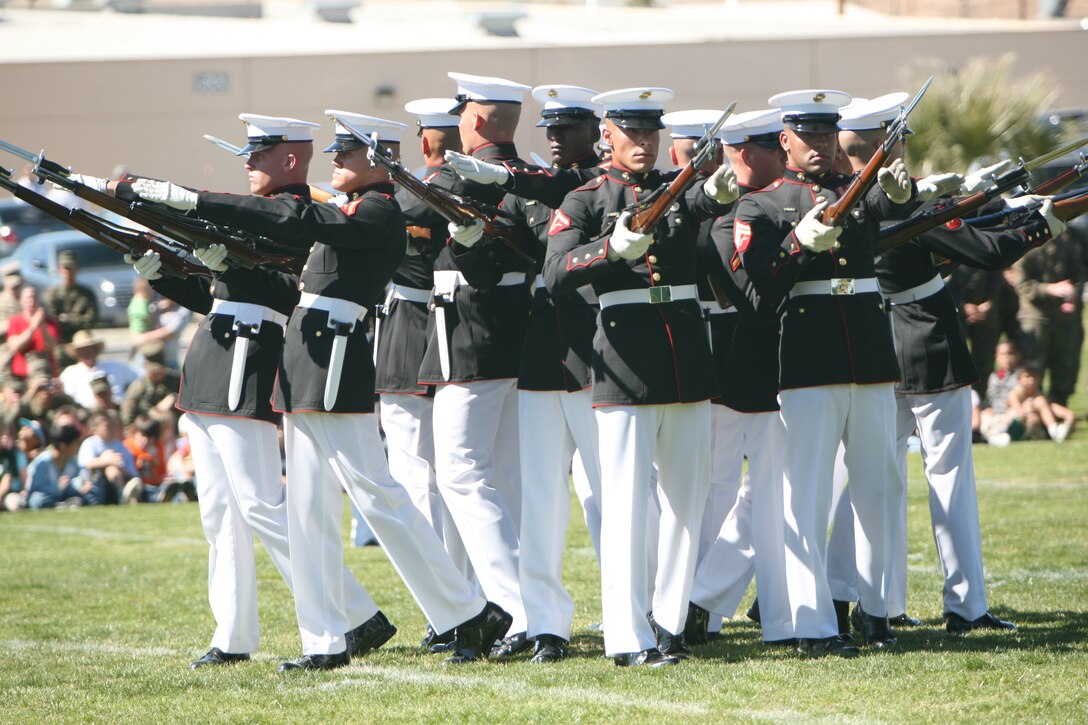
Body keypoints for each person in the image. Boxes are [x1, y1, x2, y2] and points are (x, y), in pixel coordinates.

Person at [135, 110, 512, 670]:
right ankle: (325, 637)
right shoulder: (345, 211)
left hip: (334, 357)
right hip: (306, 359)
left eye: (347, 152)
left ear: (379, 161)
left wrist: (193, 201)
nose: (335, 159)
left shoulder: (378, 212)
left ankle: (469, 611)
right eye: (335, 151)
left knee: (377, 495)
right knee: (307, 509)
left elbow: (294, 220)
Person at [116, 113, 389, 669]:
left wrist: (232, 264)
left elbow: (291, 290)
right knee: (221, 513)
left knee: (262, 504)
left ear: (289, 159)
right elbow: (218, 295)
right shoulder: (264, 212)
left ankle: (356, 614)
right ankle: (233, 633)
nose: (249, 163)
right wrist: (163, 273)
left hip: (252, 356)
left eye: (259, 154)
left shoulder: (302, 215)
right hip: (216, 357)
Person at [826, 93, 1060, 636]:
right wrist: (1037, 227)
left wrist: (1001, 206)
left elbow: (960, 229)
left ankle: (862, 599)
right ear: (891, 144)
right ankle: (966, 605)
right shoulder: (898, 199)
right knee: (949, 477)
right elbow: (983, 250)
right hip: (926, 342)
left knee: (869, 480)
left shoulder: (841, 199)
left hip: (874, 346)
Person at [544, 86, 738, 667]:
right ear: (608, 133)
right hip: (625, 360)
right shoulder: (584, 198)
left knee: (686, 502)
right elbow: (555, 272)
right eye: (633, 132)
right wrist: (610, 248)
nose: (644, 143)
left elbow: (703, 206)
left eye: (652, 133)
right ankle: (628, 636)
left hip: (684, 360)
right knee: (626, 505)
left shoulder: (672, 191)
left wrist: (719, 191)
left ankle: (670, 622)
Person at [734, 89, 915, 656]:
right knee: (806, 496)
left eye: (826, 135)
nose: (818, 145)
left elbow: (891, 214)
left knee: (879, 489)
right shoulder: (761, 204)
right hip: (810, 360)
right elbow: (758, 285)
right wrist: (796, 243)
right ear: (785, 140)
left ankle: (879, 611)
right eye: (807, 136)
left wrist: (902, 194)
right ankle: (812, 623)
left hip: (868, 354)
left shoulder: (855, 192)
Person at [452, 84, 609, 663]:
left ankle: (635, 611)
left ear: (597, 131)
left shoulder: (602, 186)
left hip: (598, 342)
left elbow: (564, 200)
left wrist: (510, 184)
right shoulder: (530, 189)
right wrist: (467, 238)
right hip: (545, 345)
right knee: (541, 496)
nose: (555, 138)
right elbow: (494, 268)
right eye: (550, 129)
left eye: (568, 128)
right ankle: (546, 624)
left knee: (610, 491)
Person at [415, 72, 538, 658]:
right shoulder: (531, 170)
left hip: (470, 327)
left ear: (476, 120)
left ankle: (510, 609)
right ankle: (527, 606)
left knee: (461, 471)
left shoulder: (456, 173)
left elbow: (410, 202)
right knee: (505, 476)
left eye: (461, 112)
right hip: (519, 327)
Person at [688, 107, 794, 647]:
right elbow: (753, 292)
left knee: (750, 492)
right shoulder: (729, 214)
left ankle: (709, 604)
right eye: (780, 150)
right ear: (751, 154)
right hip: (745, 361)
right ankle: (701, 601)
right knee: (742, 492)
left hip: (750, 360)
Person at [1011, 219, 1084, 407]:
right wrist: (1049, 289)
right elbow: (1022, 284)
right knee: (1033, 367)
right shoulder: (1027, 237)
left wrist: (1072, 295)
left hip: (1066, 316)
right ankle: (1034, 415)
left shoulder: (1071, 237)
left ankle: (1060, 410)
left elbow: (1080, 272)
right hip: (1036, 316)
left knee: (1065, 365)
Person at [43, 250, 98, 369]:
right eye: (65, 267)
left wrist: (67, 318)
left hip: (83, 344)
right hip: (60, 345)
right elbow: (52, 322)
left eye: (71, 267)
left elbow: (90, 321)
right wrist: (76, 319)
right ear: (59, 270)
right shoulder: (52, 295)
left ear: (77, 268)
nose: (68, 271)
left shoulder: (86, 294)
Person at [77, 410, 141, 505]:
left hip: (118, 480)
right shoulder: (90, 443)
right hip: (92, 482)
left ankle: (123, 495)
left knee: (113, 470)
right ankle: (122, 496)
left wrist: (119, 467)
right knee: (110, 467)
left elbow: (133, 473)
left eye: (114, 426)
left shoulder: (121, 446)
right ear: (95, 430)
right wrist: (106, 461)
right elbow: (85, 463)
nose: (112, 429)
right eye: (107, 426)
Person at [1008, 362, 1075, 442]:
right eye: (1027, 376)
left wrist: (1068, 415)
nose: (1031, 380)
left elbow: (1050, 407)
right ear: (1019, 379)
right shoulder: (1014, 394)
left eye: (1035, 377)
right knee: (1034, 418)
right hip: (1015, 427)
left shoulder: (1038, 394)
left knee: (1069, 414)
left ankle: (1055, 431)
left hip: (1038, 425)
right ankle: (1054, 431)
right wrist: (1027, 409)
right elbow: (1019, 413)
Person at [25, 422, 84, 509]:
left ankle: (63, 505)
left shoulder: (72, 461)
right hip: (46, 497)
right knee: (37, 499)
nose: (77, 447)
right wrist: (56, 488)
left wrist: (79, 485)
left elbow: (76, 480)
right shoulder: (43, 462)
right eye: (75, 444)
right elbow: (33, 488)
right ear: (63, 446)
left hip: (64, 496)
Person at [5, 285, 60, 380]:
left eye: (34, 297)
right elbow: (16, 346)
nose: (31, 300)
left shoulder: (49, 322)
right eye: (28, 298)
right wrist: (33, 326)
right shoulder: (15, 322)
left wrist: (42, 326)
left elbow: (52, 345)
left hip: (46, 373)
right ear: (21, 301)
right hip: (23, 376)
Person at [120, 356, 180, 426]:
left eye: (158, 372)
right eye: (152, 372)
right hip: (145, 426)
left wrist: (174, 398)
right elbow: (128, 410)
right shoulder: (139, 386)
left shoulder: (175, 380)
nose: (154, 376)